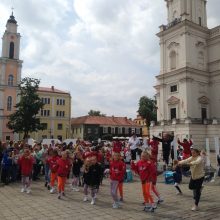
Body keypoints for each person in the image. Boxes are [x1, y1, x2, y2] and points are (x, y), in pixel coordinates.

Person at [178, 146, 205, 211]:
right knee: (190, 187)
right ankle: (200, 187)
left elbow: (196, 162)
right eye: (192, 153)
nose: (192, 154)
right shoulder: (192, 157)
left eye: (194, 153)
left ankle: (196, 205)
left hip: (200, 177)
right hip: (193, 176)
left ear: (197, 153)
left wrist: (188, 164)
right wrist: (179, 162)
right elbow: (185, 160)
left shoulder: (199, 158)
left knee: (197, 192)